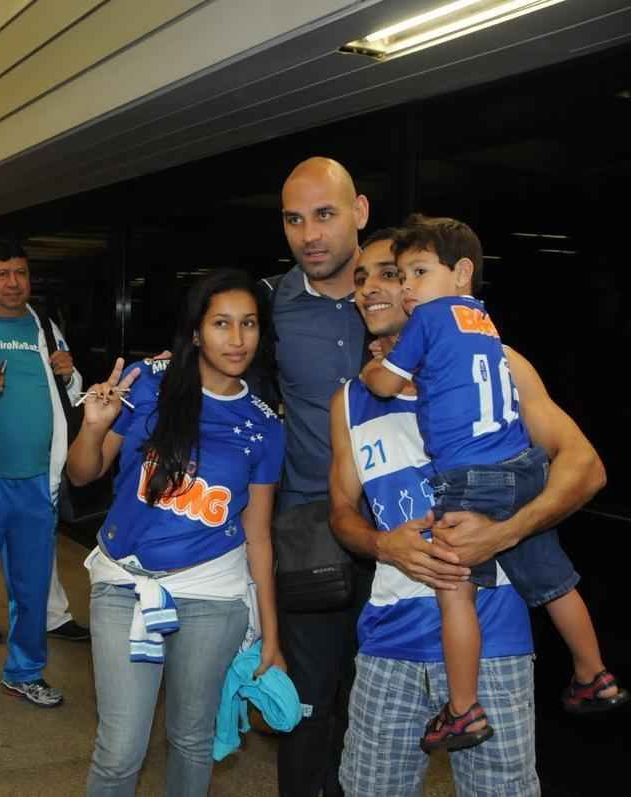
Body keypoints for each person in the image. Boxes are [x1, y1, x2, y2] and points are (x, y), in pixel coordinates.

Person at [331, 230, 611, 793]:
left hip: (495, 642)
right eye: (362, 278)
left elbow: (586, 469)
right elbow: (340, 511)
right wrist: (383, 544)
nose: (374, 288)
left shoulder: (500, 362)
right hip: (389, 642)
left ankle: (590, 672)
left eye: (394, 273)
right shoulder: (350, 399)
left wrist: (504, 533)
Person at [67, 269, 285, 796]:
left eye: (249, 324)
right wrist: (93, 426)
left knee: (192, 740)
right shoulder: (146, 383)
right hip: (125, 583)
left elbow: (258, 535)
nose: (237, 339)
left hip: (213, 593)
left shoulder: (264, 425)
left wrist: (271, 634)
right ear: (195, 332)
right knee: (119, 751)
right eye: (221, 324)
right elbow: (81, 474)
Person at [0, 237, 83, 722]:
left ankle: (24, 672)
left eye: (20, 273)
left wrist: (70, 373)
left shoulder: (44, 326)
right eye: (2, 274)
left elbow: (72, 393)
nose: (12, 283)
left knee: (32, 588)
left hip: (36, 484)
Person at [270, 156, 372, 797]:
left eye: (325, 215)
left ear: (359, 213)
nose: (309, 234)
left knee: (379, 706)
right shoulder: (269, 305)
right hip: (308, 534)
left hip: (401, 532)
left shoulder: (404, 298)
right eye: (294, 220)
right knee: (307, 705)